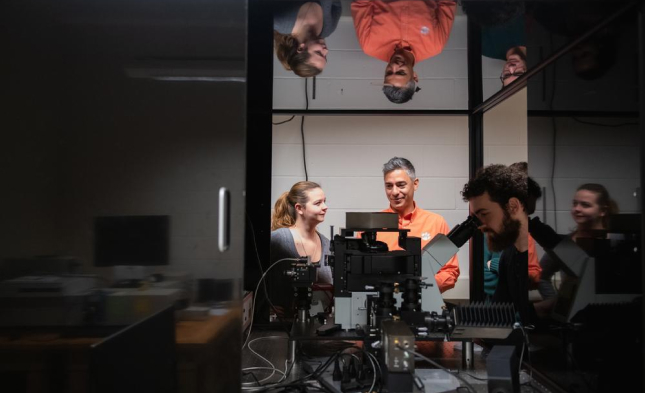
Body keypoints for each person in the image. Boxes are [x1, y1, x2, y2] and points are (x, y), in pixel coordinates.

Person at [462, 164, 534, 325]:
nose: (481, 225)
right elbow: (499, 317)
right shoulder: (508, 257)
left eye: (484, 214)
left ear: (513, 206)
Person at [375, 157, 459, 293]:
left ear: (415, 184)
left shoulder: (436, 223)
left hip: (423, 304)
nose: (395, 192)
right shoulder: (371, 225)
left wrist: (418, 287)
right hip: (381, 305)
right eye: (389, 186)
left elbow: (449, 270)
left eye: (401, 185)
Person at [535, 183, 618, 314]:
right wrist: (556, 301)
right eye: (574, 204)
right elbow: (541, 275)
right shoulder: (565, 243)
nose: (577, 209)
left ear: (603, 211)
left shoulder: (616, 242)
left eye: (585, 205)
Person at [351, 0, 456, 103]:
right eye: (401, 72)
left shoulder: (369, 44)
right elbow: (447, 3)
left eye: (389, 72)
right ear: (414, 76)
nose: (394, 65)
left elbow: (361, 3)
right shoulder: (435, 45)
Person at [269, 181, 333, 318]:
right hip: (280, 330)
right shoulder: (278, 240)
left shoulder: (328, 245)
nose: (325, 207)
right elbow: (251, 280)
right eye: (318, 203)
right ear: (299, 208)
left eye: (324, 201)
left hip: (319, 330)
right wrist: (263, 307)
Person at [484, 163, 541, 299]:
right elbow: (482, 277)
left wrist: (496, 265)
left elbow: (534, 274)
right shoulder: (489, 228)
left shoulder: (528, 231)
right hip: (495, 312)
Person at [273, 1, 341, 77]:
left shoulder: (280, 22)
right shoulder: (328, 28)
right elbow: (336, 5)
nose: (326, 50)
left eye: (319, 53)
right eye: (325, 56)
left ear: (301, 48)